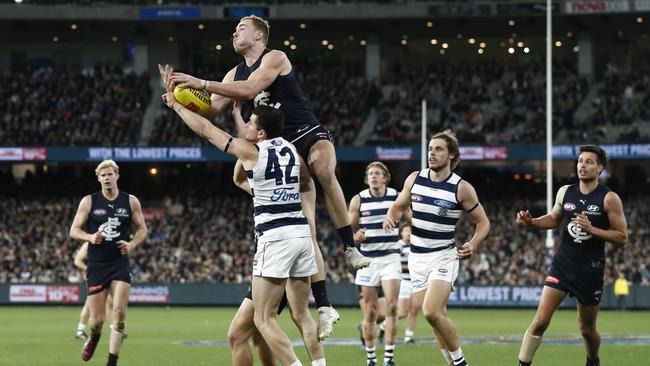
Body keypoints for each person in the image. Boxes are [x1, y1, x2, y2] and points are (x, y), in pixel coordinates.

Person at [166, 15, 370, 337]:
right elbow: (211, 110)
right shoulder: (233, 73)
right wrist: (178, 98)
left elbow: (250, 90)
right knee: (306, 230)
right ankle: (326, 306)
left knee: (325, 169)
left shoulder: (275, 57)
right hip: (278, 147)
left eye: (241, 28)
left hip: (306, 131)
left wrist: (201, 83)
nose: (235, 32)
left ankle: (349, 247)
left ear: (259, 35)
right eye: (235, 29)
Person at [160, 67, 325, 366]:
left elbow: (206, 130)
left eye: (250, 123)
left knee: (263, 320)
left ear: (260, 133)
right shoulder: (291, 150)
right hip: (301, 235)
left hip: (275, 238)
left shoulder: (254, 154)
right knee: (301, 315)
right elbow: (302, 182)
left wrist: (174, 104)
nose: (246, 125)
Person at [383, 130, 490, 366]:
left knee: (431, 311)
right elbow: (398, 205)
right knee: (436, 319)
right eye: (430, 149)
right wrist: (391, 216)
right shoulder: (414, 179)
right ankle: (453, 363)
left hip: (443, 257)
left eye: (439, 149)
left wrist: (472, 243)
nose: (432, 153)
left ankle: (461, 363)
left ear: (451, 155)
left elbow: (484, 222)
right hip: (416, 258)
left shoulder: (461, 188)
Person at [515, 145, 628, 366]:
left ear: (599, 168)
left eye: (588, 162)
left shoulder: (609, 199)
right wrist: (532, 223)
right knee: (540, 322)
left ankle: (592, 360)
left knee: (586, 329)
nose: (582, 165)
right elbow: (553, 219)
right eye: (580, 161)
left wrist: (592, 229)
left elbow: (622, 237)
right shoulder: (565, 191)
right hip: (562, 266)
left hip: (590, 270)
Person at [69, 159, 148, 366]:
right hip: (97, 264)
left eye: (109, 174)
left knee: (119, 312)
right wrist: (89, 237)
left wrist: (131, 245)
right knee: (97, 321)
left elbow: (142, 230)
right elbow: (74, 230)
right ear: (98, 178)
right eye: (102, 175)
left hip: (119, 262)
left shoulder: (131, 201)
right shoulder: (89, 201)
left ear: (117, 175)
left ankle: (112, 362)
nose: (106, 178)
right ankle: (94, 336)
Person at [349, 161, 405, 366]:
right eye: (370, 173)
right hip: (368, 261)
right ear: (366, 179)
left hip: (390, 257)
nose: (373, 176)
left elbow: (411, 218)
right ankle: (371, 359)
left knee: (391, 306)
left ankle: (389, 358)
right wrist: (356, 236)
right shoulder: (359, 200)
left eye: (377, 173)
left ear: (385, 177)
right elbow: (347, 229)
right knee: (371, 311)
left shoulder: (396, 196)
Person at [74, 242, 113, 341]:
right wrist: (90, 269)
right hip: (93, 278)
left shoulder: (103, 245)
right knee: (107, 301)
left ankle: (80, 330)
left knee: (89, 304)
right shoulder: (88, 244)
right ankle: (113, 327)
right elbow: (77, 261)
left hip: (100, 277)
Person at [396, 224, 419, 344]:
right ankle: (384, 326)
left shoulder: (416, 245)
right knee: (403, 312)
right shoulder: (399, 245)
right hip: (403, 281)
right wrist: (411, 267)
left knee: (414, 309)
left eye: (410, 230)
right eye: (405, 230)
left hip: (415, 281)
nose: (408, 233)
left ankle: (408, 337)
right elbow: (396, 263)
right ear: (401, 233)